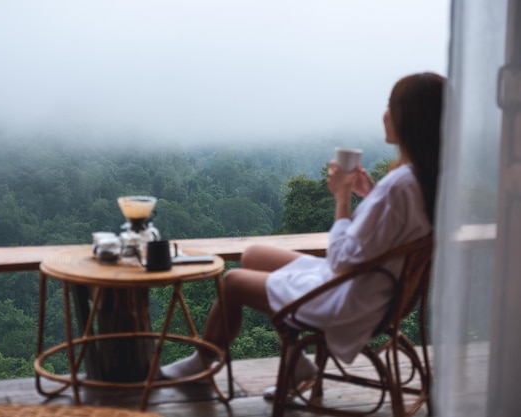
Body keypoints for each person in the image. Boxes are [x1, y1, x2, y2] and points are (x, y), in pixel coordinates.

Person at [160, 72, 445, 396]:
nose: (384, 115)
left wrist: (341, 197)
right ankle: (299, 366)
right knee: (253, 255)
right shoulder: (422, 178)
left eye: (390, 107)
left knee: (233, 282)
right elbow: (394, 227)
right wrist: (368, 193)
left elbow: (340, 260)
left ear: (410, 119)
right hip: (374, 290)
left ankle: (202, 363)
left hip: (349, 297)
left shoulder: (399, 185)